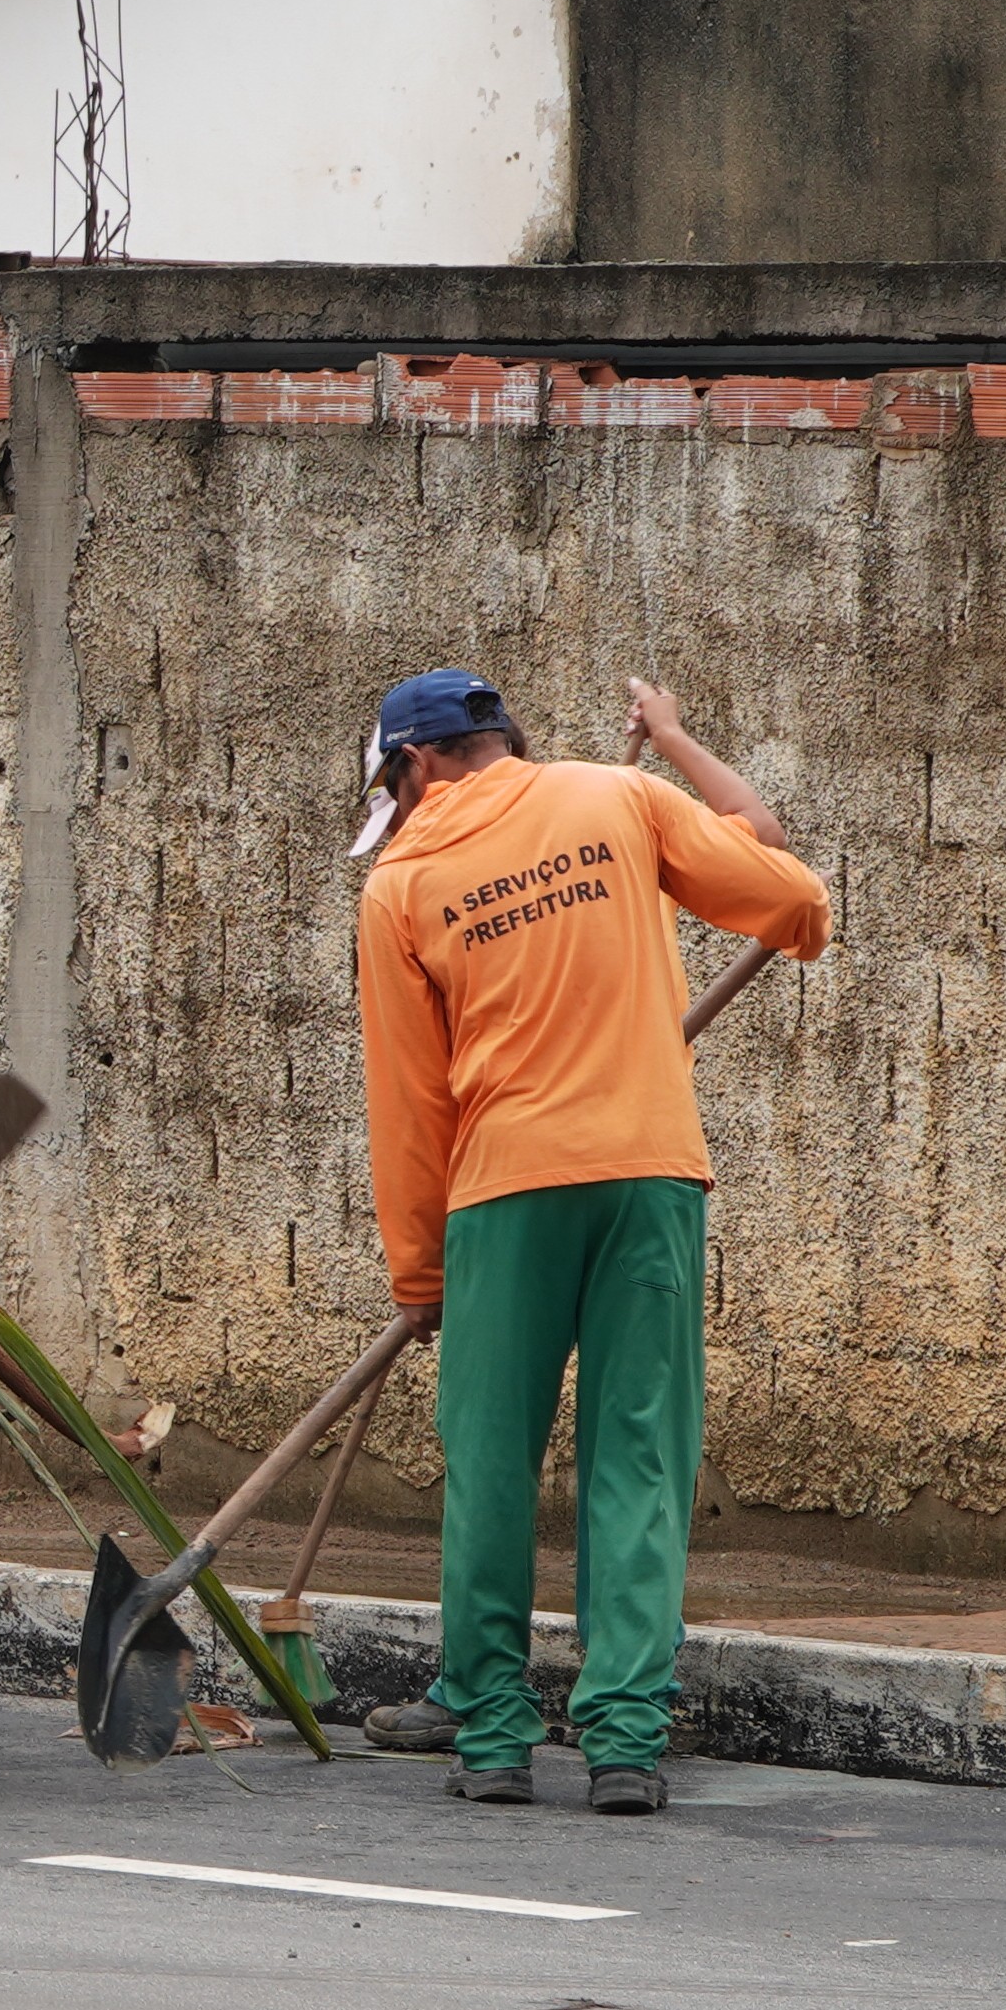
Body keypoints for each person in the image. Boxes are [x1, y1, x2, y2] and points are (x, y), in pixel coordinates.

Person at [351, 670, 827, 1815]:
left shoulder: (401, 883)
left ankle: (494, 1731)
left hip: (503, 1190)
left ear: (414, 765)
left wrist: (421, 1274)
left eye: (392, 787)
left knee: (490, 1467)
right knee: (638, 1458)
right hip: (650, 1174)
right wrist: (674, 740)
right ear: (495, 740)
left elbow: (409, 1105)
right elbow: (793, 898)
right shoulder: (620, 797)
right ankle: (621, 1741)